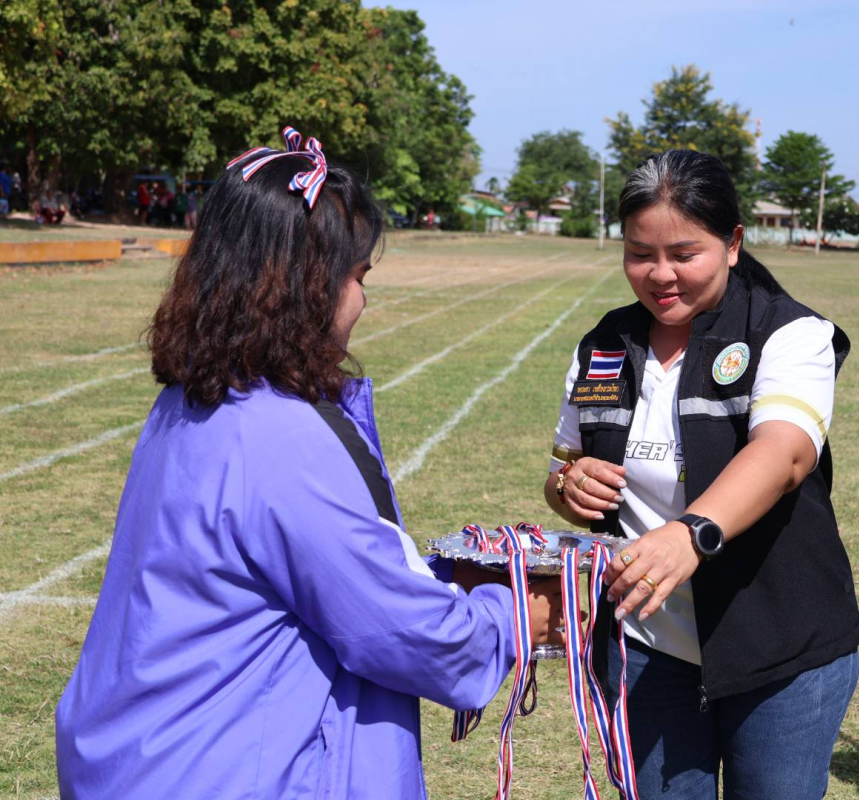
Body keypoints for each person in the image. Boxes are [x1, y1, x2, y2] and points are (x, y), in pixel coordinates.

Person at [55, 128, 563, 799]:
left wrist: (446, 577)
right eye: (357, 277)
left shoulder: (192, 401)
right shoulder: (280, 436)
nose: (363, 300)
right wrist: (513, 615)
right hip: (220, 771)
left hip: (139, 753)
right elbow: (397, 629)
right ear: (303, 285)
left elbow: (307, 573)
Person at [543, 149, 859, 798]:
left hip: (779, 655)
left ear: (733, 243)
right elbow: (563, 469)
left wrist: (691, 534)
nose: (660, 274)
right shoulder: (604, 346)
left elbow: (784, 453)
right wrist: (568, 486)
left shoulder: (788, 333)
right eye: (640, 253)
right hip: (645, 651)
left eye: (684, 254)